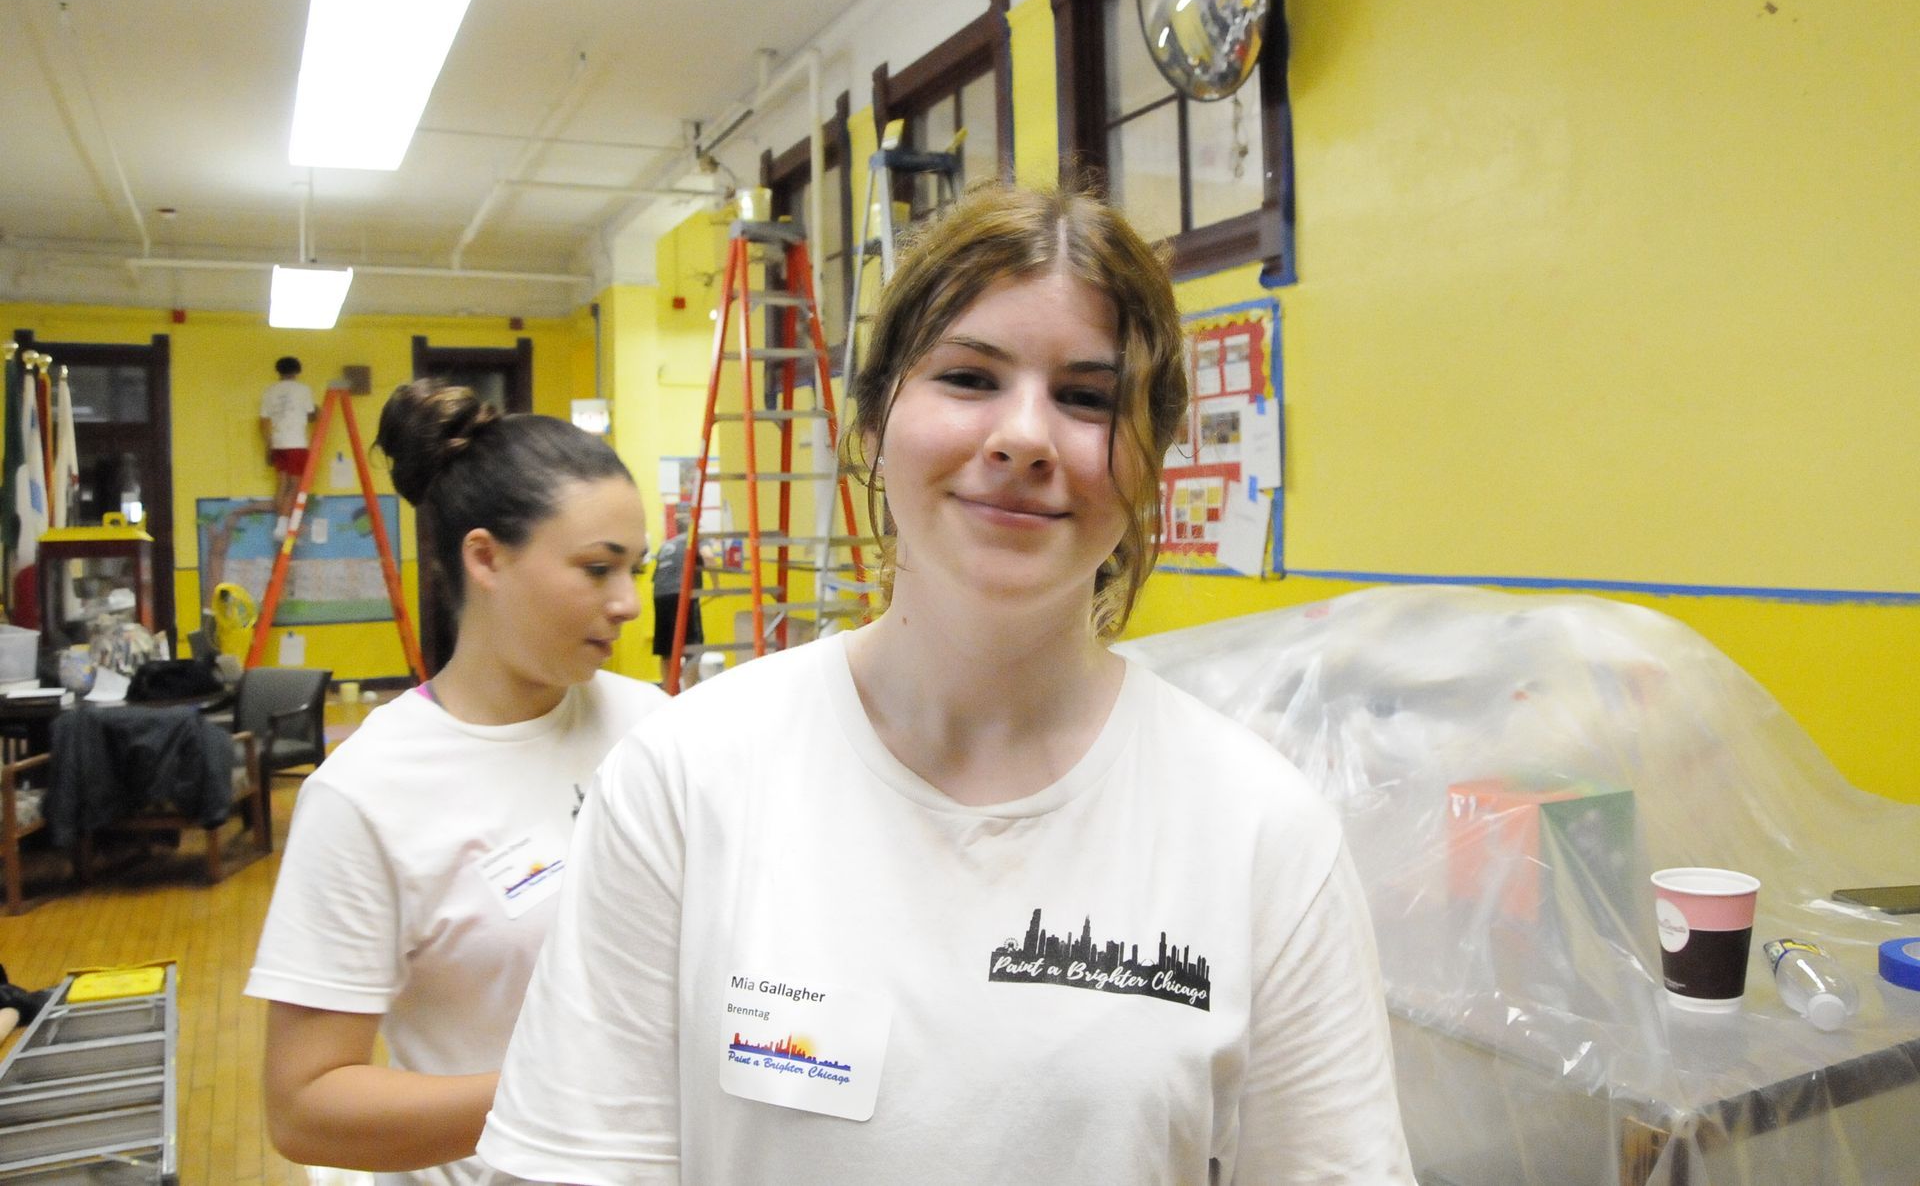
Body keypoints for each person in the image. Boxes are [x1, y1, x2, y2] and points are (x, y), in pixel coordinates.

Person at [478, 186, 1415, 1183]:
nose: (1024, 437)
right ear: (878, 415)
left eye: (1089, 398)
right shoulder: (687, 777)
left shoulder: (1260, 831)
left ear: (1153, 461)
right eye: (969, 377)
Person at [246, 380, 668, 1185]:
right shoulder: (367, 792)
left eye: (634, 570)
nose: (625, 604)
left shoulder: (651, 724)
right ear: (485, 557)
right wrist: (570, 1092)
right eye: (596, 568)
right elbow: (304, 1107)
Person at [260, 355, 317, 539]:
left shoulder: (269, 391)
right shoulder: (303, 390)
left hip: (278, 443)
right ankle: (283, 526)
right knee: (295, 485)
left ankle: (280, 525)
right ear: (297, 371)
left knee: (282, 484)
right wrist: (318, 410)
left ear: (278, 371)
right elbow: (311, 415)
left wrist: (268, 446)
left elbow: (263, 421)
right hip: (296, 443)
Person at [649, 515, 705, 689]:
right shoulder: (692, 540)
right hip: (682, 594)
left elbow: (655, 577)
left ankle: (668, 691)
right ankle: (689, 691)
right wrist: (715, 584)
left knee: (667, 648)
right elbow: (708, 557)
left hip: (660, 595)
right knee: (694, 646)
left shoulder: (667, 545)